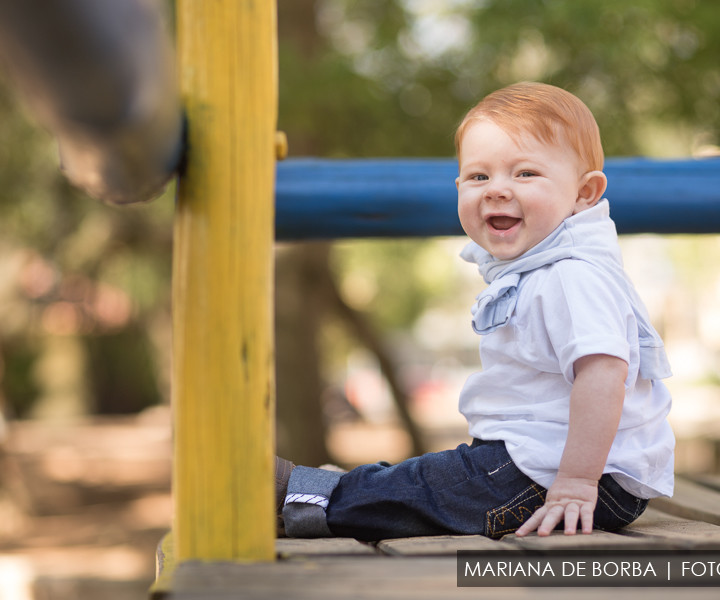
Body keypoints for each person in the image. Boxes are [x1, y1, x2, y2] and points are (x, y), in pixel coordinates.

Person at [276, 81, 674, 541]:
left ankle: (306, 497)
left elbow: (605, 375)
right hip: (543, 462)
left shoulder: (571, 275)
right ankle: (334, 491)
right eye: (479, 177)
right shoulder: (540, 268)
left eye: (525, 174)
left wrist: (577, 483)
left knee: (439, 486)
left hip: (572, 476)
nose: (497, 190)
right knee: (440, 480)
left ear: (584, 193)